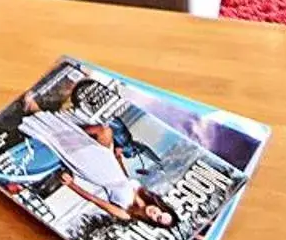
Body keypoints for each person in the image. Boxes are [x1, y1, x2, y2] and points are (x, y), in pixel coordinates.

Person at [18, 87, 177, 228]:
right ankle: (54, 115)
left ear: (153, 222)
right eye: (161, 212)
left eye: (157, 218)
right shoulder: (145, 194)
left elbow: (95, 200)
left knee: (66, 142)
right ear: (162, 206)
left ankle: (33, 109)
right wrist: (119, 158)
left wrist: (72, 185)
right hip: (110, 163)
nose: (155, 213)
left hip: (96, 172)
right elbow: (124, 179)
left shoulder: (126, 214)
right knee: (102, 131)